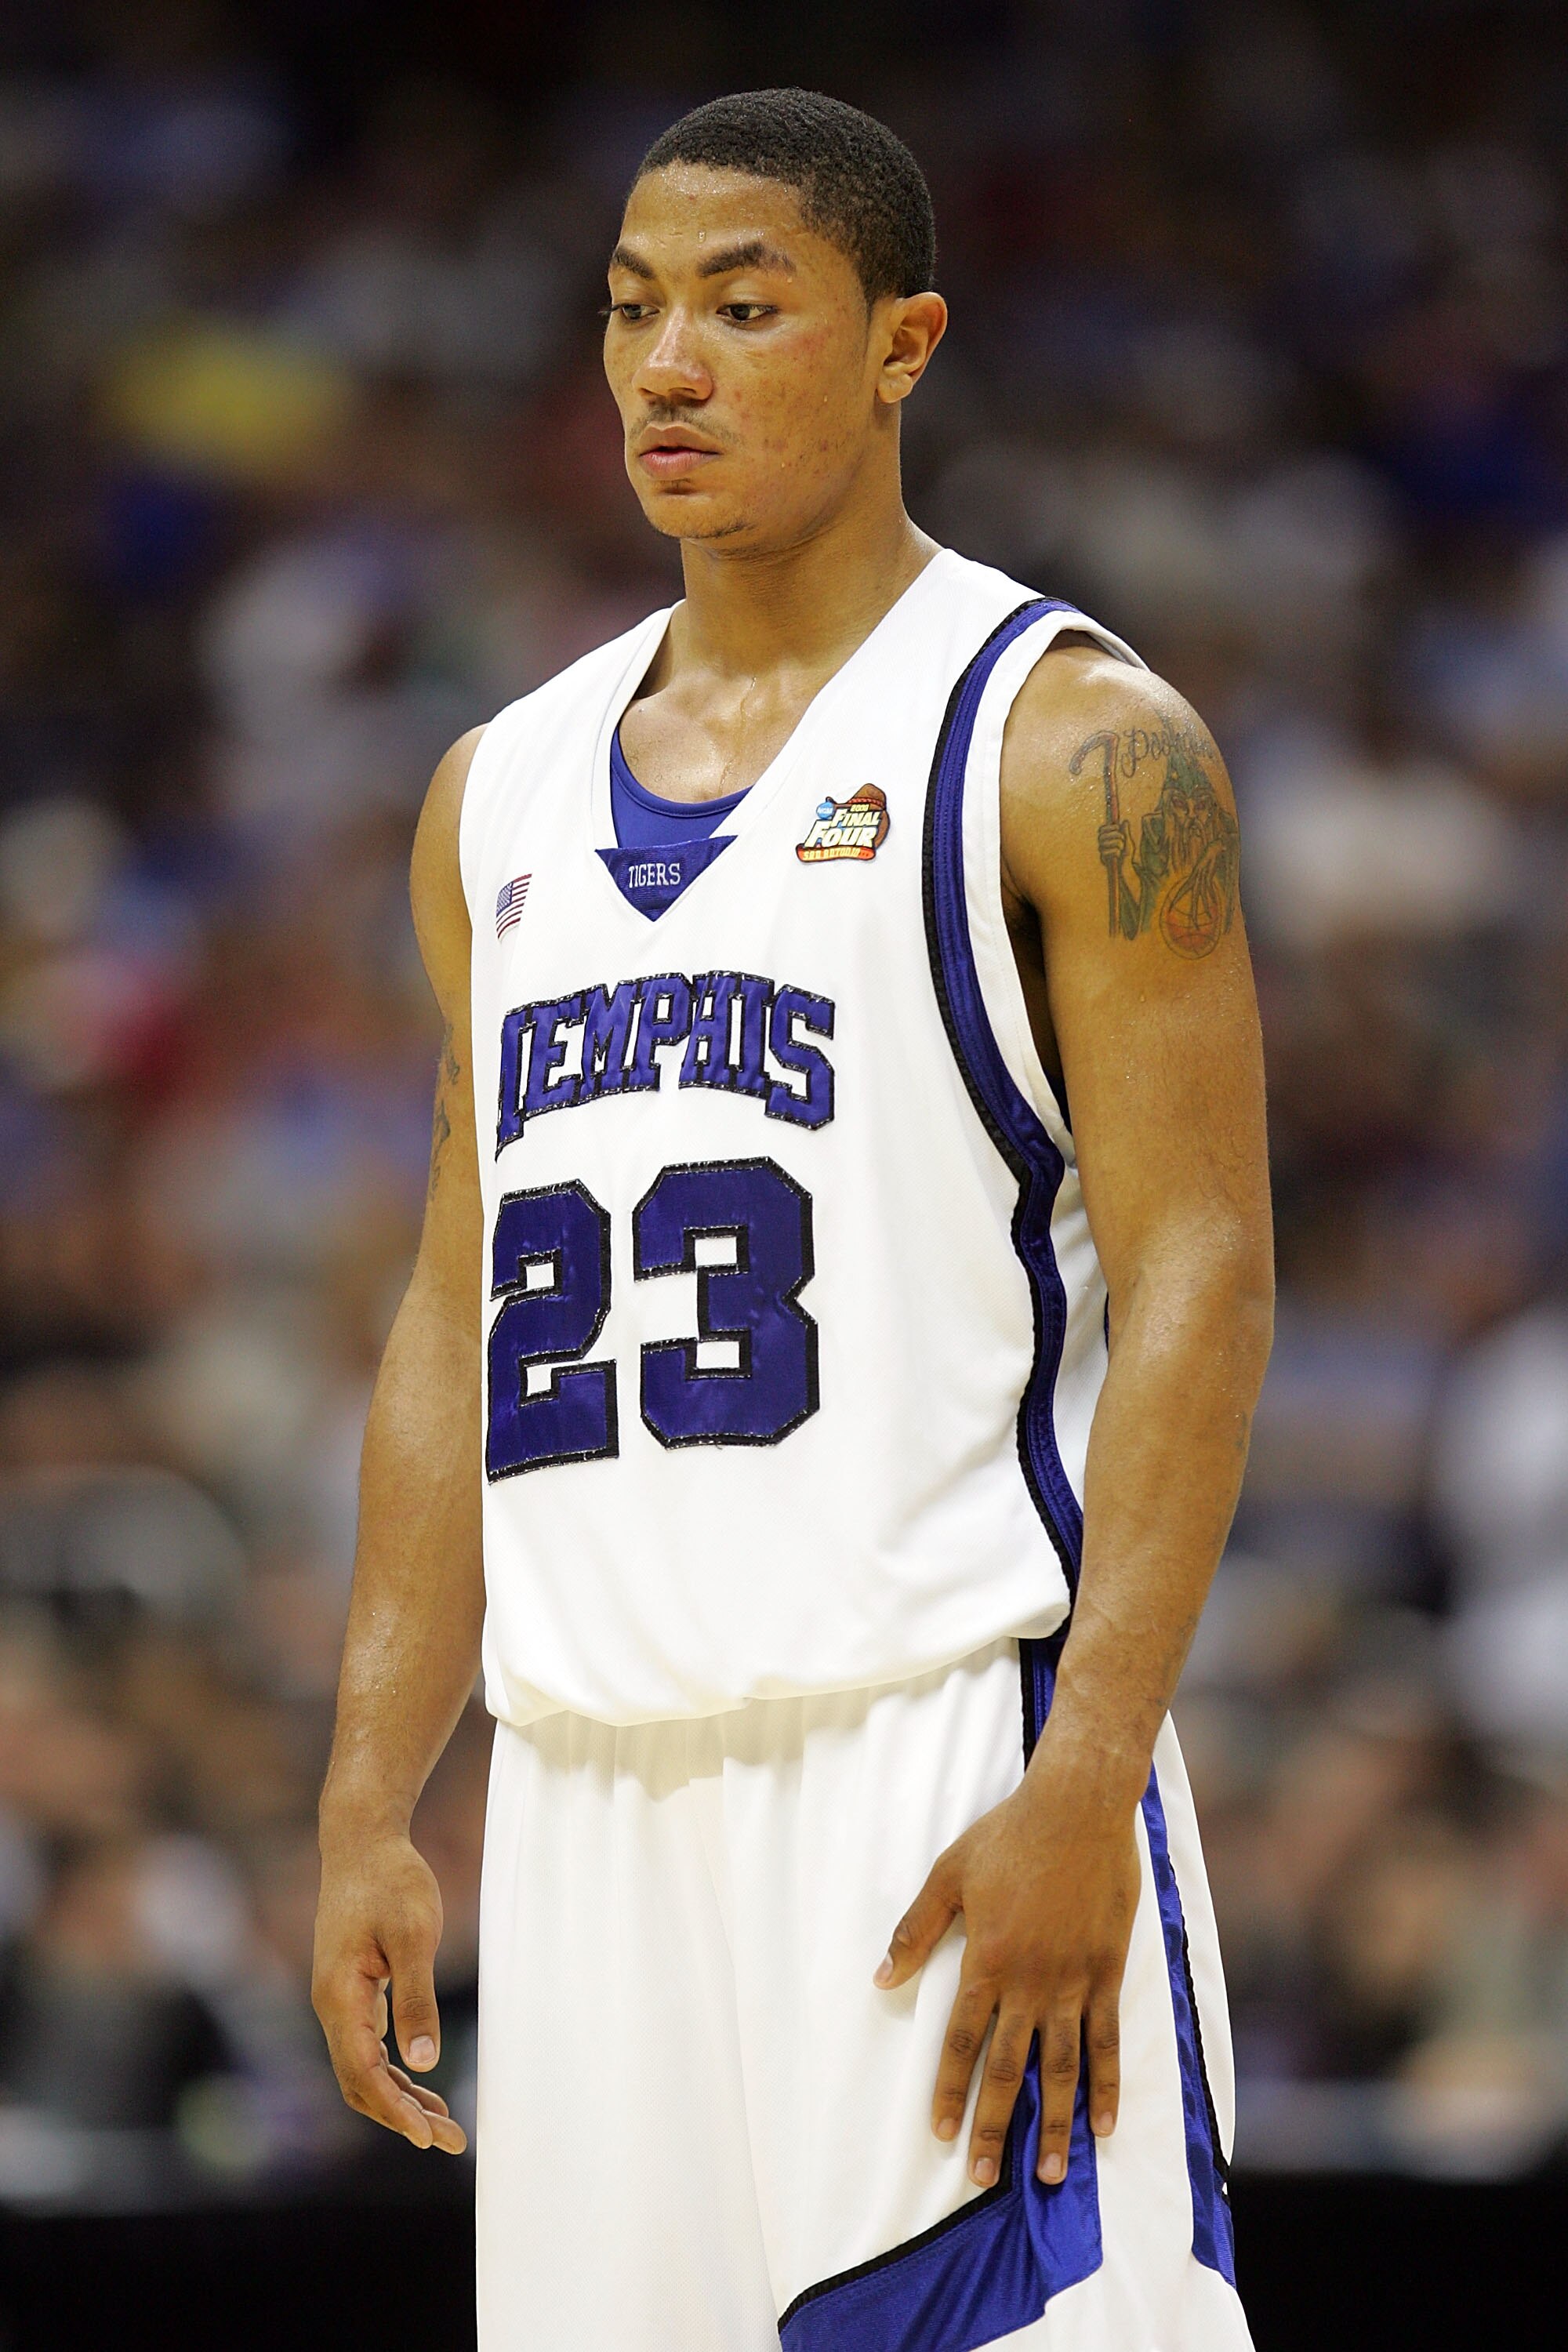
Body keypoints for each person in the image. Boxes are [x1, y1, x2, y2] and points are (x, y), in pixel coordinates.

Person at [310, 88, 1273, 2352]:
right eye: (635, 307)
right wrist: (370, 1791)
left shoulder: (1072, 743)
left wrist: (1091, 1772)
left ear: (903, 341)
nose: (671, 364)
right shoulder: (495, 793)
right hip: (585, 1813)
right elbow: (453, 1311)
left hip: (937, 1762)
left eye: (746, 309)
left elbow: (1206, 1276)